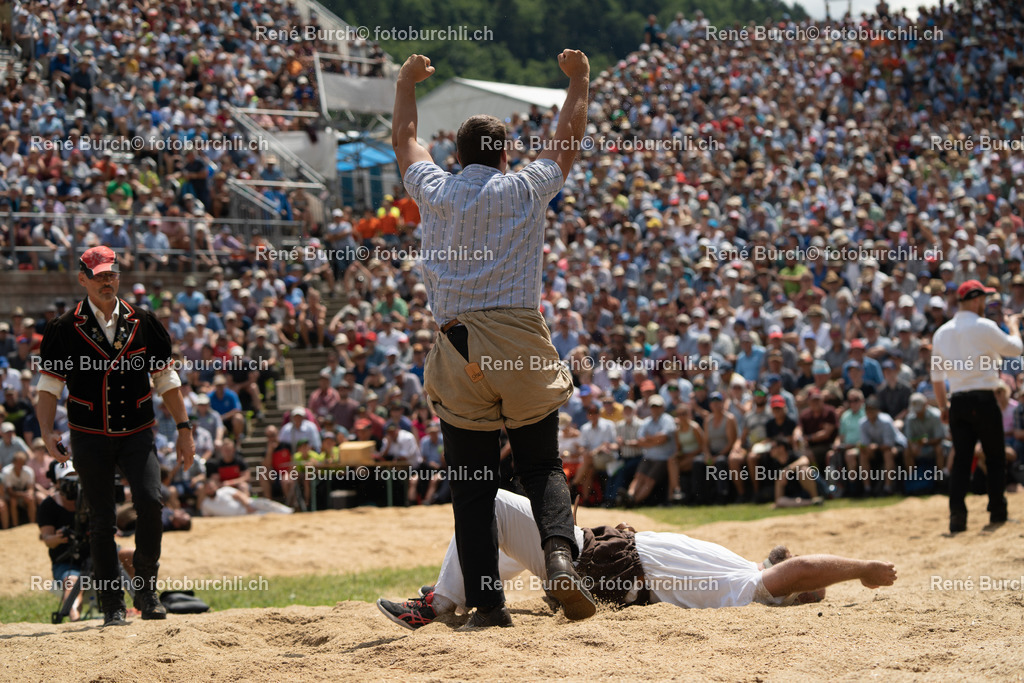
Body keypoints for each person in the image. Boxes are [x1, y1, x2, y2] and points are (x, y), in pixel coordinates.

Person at [392, 50, 596, 625]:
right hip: (520, 338)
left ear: (455, 157)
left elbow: (406, 138)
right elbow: (568, 138)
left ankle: (487, 604)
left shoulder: (433, 186)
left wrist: (406, 83)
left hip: (458, 346)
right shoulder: (525, 186)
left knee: (473, 483)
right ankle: (559, 557)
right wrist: (578, 82)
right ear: (506, 155)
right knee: (542, 465)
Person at [376, 489, 897, 630]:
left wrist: (861, 571)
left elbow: (798, 572)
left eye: (807, 580)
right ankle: (456, 593)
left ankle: (442, 602)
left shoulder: (750, 584)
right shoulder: (739, 571)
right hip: (595, 559)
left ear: (793, 595)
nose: (798, 560)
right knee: (510, 541)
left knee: (486, 501)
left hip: (593, 565)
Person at [35, 246, 195, 626]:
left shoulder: (144, 321)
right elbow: (49, 384)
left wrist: (185, 428)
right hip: (88, 435)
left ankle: (147, 591)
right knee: (101, 521)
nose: (108, 281)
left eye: (112, 274)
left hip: (138, 431)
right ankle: (111, 605)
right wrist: (44, 431)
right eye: (100, 275)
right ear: (83, 279)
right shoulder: (63, 328)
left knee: (152, 503)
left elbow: (166, 379)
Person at [930, 280, 1021, 533]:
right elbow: (1015, 350)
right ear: (976, 299)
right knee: (995, 457)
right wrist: (1013, 326)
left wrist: (943, 407)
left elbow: (937, 378)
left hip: (957, 400)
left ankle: (957, 518)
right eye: (983, 299)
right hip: (984, 398)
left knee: (961, 461)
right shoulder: (984, 326)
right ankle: (997, 512)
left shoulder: (941, 333)